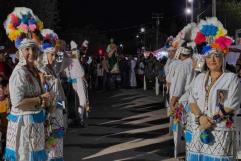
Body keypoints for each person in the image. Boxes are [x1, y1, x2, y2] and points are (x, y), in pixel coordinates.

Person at [186, 17, 241, 161]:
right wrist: (200, 117)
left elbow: (230, 105)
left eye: (216, 56)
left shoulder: (231, 79)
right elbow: (191, 100)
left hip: (219, 132)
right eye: (208, 56)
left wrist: (210, 120)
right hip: (198, 132)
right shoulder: (199, 78)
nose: (212, 60)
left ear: (223, 57)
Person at [4, 7, 52, 160]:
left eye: (33, 49)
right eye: (27, 49)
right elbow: (17, 103)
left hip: (35, 125)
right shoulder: (19, 73)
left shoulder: (33, 71)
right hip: (24, 128)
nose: (31, 53)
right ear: (20, 52)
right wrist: (40, 99)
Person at [38, 29, 65, 161]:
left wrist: (59, 47)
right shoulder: (42, 71)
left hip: (58, 111)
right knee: (50, 144)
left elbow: (61, 60)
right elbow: (44, 93)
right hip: (49, 113)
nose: (54, 58)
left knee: (58, 143)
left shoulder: (53, 68)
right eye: (51, 55)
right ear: (44, 54)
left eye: (54, 55)